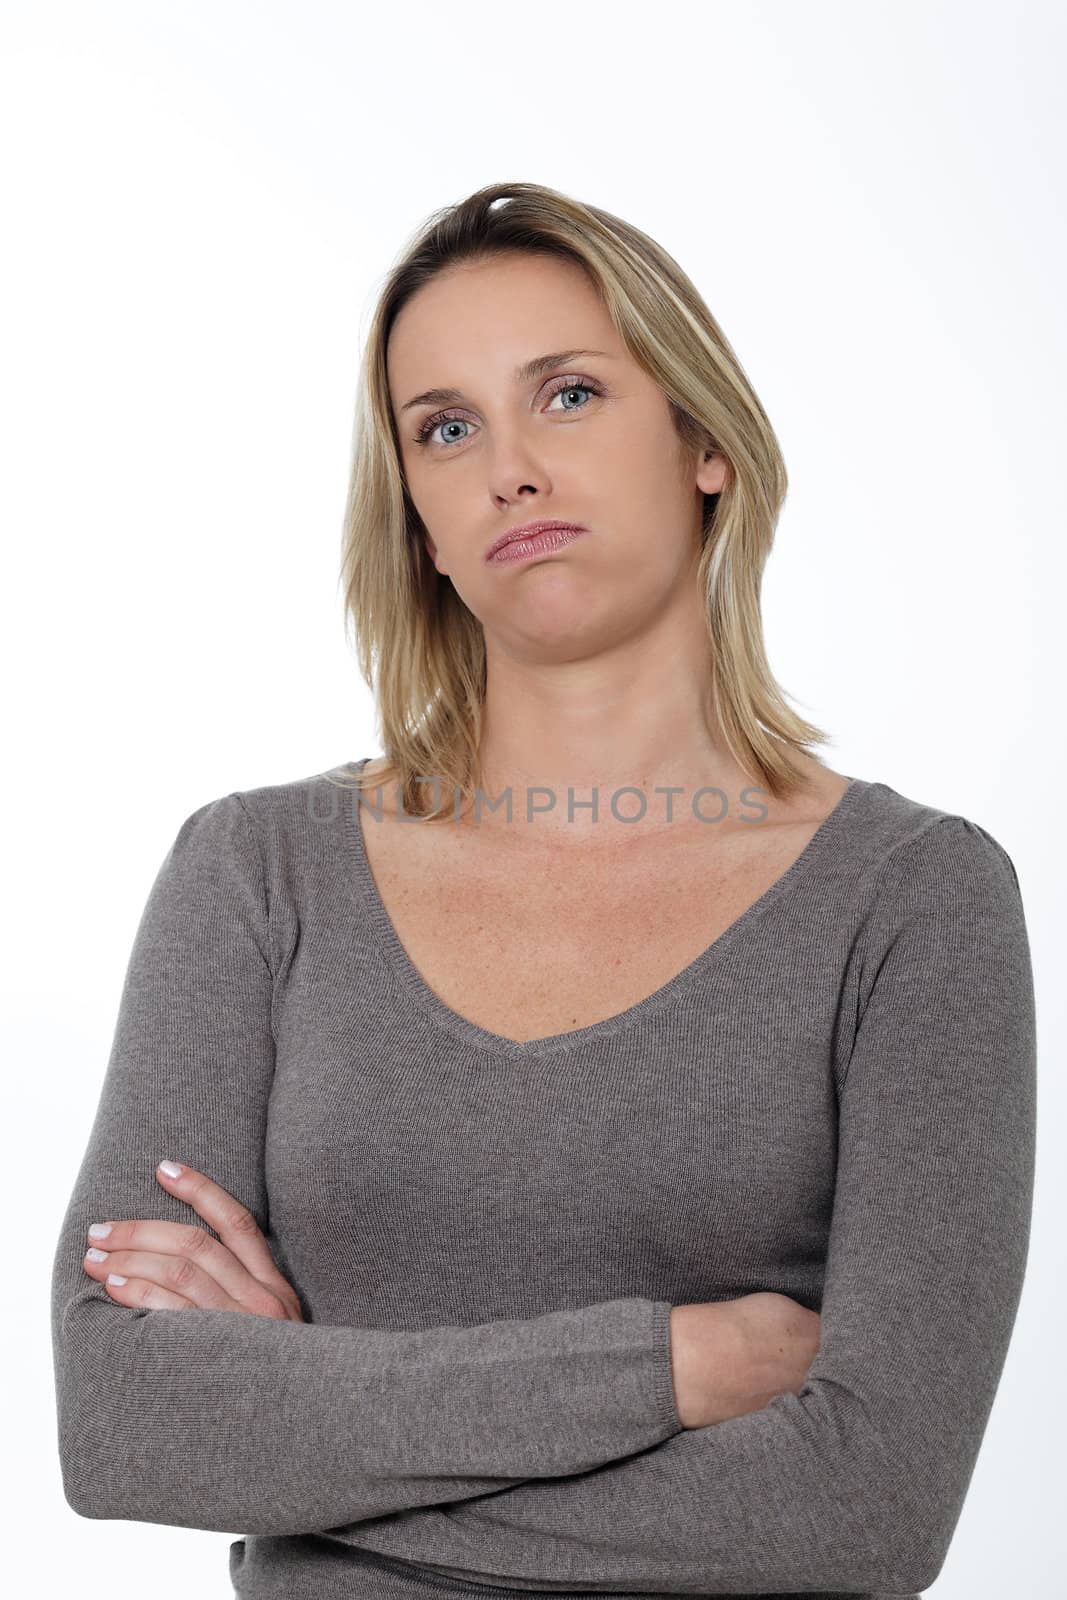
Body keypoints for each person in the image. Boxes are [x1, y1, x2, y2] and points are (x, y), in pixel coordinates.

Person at [50, 181, 1036, 1600]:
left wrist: (304, 1434)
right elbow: (125, 1427)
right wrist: (669, 1367)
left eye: (567, 394)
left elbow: (874, 1504)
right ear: (424, 525)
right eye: (446, 430)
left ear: (703, 439)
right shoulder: (257, 875)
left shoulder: (912, 904)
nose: (508, 467)